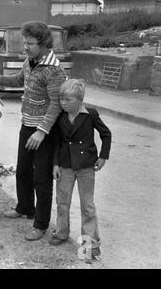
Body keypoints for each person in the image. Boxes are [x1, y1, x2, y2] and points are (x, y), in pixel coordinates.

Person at [0, 21, 68, 241]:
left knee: (41, 179)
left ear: (44, 43)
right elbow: (18, 80)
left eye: (29, 43)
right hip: (26, 125)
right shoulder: (31, 62)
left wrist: (41, 131)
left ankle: (40, 224)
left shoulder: (54, 70)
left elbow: (56, 104)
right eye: (25, 43)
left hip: (44, 133)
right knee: (23, 171)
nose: (25, 47)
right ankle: (25, 207)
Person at [49, 79, 111, 262]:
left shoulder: (90, 114)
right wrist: (55, 164)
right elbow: (57, 143)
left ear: (79, 100)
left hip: (86, 167)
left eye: (67, 100)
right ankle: (61, 233)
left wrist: (103, 156)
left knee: (88, 207)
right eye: (61, 99)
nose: (63, 103)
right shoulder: (60, 117)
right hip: (65, 165)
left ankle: (89, 246)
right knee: (62, 201)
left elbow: (106, 134)